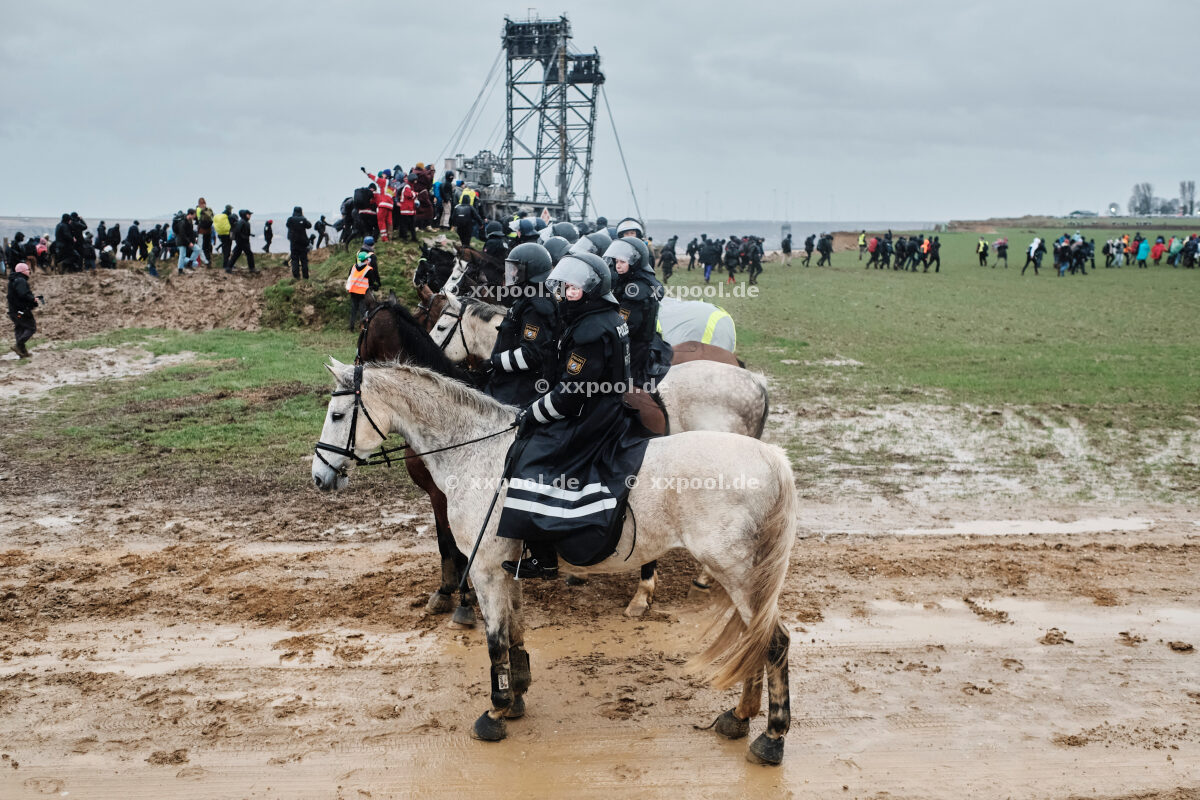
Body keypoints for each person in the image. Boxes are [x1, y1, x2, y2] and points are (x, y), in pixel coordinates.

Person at [498, 252, 650, 580]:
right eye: (565, 287)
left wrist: (533, 413)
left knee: (532, 458)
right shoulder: (606, 316)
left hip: (591, 415)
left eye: (573, 288)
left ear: (592, 290)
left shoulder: (590, 330)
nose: (566, 293)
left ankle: (544, 558)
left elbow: (571, 394)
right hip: (606, 406)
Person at [482, 243, 559, 407]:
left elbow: (531, 355)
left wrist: (494, 361)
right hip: (508, 378)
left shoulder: (536, 308)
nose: (512, 273)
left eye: (516, 269)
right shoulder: (527, 296)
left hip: (521, 388)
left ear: (530, 272)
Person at [7, 262, 40, 358]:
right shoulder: (21, 280)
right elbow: (23, 294)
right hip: (21, 311)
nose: (29, 271)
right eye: (28, 270)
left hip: (14, 311)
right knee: (31, 327)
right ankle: (18, 345)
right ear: (23, 271)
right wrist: (33, 299)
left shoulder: (13, 280)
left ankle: (22, 352)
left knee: (20, 328)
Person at [345, 249, 379, 331]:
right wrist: (375, 286)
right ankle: (362, 327)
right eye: (367, 259)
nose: (368, 260)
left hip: (353, 292)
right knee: (363, 311)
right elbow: (371, 282)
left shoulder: (353, 267)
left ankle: (351, 327)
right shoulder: (368, 269)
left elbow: (350, 277)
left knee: (353, 310)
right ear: (366, 260)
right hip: (362, 293)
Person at [286, 206, 312, 279]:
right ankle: (305, 277)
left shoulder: (290, 219)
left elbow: (287, 225)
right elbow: (309, 225)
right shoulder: (303, 219)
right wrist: (302, 218)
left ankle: (296, 276)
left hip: (294, 243)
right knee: (304, 260)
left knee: (294, 259)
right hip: (303, 243)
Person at [214, 204, 234, 269]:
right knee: (227, 250)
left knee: (224, 248)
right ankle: (226, 265)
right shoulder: (229, 215)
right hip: (227, 234)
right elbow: (232, 224)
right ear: (230, 209)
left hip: (221, 234)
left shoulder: (222, 215)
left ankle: (226, 264)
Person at [196, 198, 214, 263]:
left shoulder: (199, 210)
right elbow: (212, 217)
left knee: (202, 247)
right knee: (207, 246)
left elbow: (198, 220)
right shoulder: (210, 209)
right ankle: (208, 260)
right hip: (208, 230)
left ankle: (206, 261)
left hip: (202, 231)